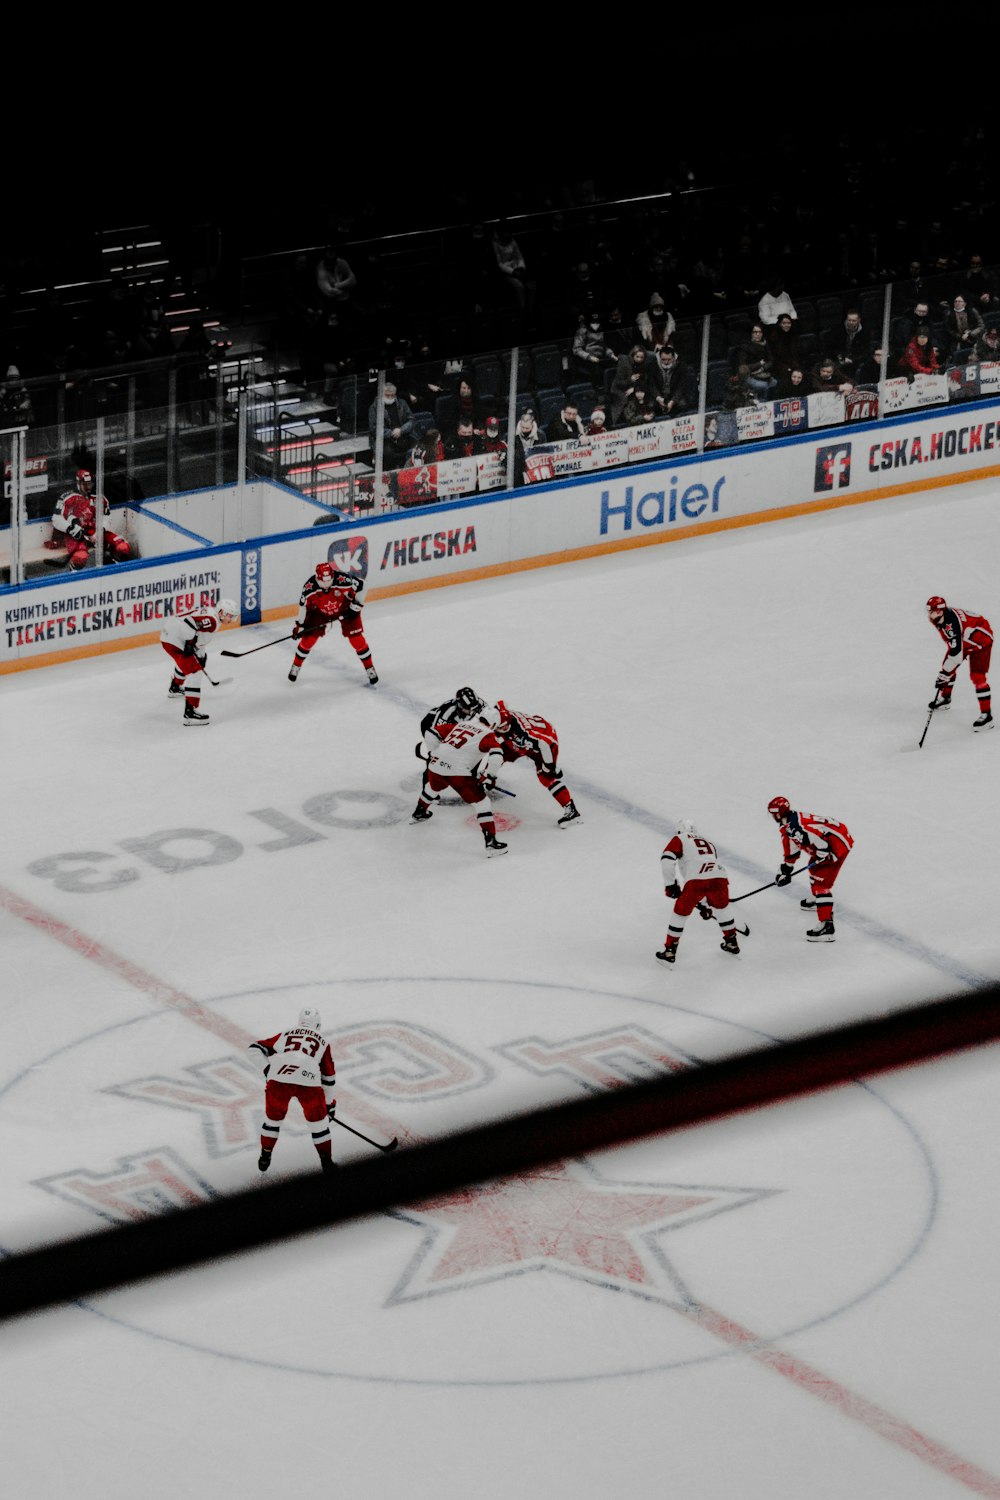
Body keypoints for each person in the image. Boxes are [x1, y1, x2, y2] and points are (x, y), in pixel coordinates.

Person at [247, 1006, 338, 1175]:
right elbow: (329, 1077)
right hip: (309, 1082)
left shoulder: (286, 1034)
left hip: (279, 1080)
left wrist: (267, 1069)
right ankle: (326, 1162)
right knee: (319, 1125)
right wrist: (328, 1105)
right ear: (317, 1025)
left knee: (272, 1122)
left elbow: (253, 1048)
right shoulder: (323, 1042)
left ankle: (265, 1154)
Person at [410, 703, 509, 857]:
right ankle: (491, 843)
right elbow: (496, 757)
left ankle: (419, 812)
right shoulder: (488, 734)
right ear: (494, 723)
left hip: (436, 765)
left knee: (432, 787)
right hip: (458, 772)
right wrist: (490, 776)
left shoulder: (463, 724)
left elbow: (431, 731)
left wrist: (434, 751)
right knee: (483, 803)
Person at [656, 818, 744, 965]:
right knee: (722, 909)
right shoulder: (709, 843)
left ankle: (670, 951)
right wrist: (705, 905)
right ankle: (732, 942)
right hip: (720, 876)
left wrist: (670, 885)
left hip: (696, 879)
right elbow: (707, 874)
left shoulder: (680, 838)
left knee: (680, 912)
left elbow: (667, 859)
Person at [768, 796, 853, 942]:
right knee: (814, 871)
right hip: (832, 839)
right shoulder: (788, 824)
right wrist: (785, 870)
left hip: (837, 845)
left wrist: (825, 853)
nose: (771, 816)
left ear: (779, 813)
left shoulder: (796, 827)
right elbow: (792, 849)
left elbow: (816, 836)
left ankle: (827, 927)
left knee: (821, 884)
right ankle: (818, 901)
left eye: (773, 813)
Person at [495, 699, 581, 827]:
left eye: (505, 726)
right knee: (497, 752)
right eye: (501, 727)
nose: (503, 728)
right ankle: (483, 776)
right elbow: (500, 704)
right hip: (528, 740)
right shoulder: (498, 716)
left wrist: (550, 767)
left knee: (546, 777)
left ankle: (571, 810)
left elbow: (545, 745)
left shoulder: (523, 734)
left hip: (546, 741)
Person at [289, 562, 377, 685]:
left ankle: (370, 668)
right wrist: (300, 625)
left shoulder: (343, 579)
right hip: (319, 612)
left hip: (346, 609)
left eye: (329, 580)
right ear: (317, 578)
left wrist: (357, 604)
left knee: (357, 640)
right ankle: (296, 666)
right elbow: (303, 607)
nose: (326, 584)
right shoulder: (309, 588)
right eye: (323, 582)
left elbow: (363, 585)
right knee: (308, 641)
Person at [160, 599, 239, 726]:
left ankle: (175, 688)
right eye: (230, 616)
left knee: (191, 662)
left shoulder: (211, 614)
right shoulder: (213, 621)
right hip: (174, 641)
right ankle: (190, 714)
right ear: (221, 612)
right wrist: (189, 643)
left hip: (171, 636)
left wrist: (200, 655)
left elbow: (198, 632)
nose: (231, 619)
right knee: (195, 673)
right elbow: (190, 622)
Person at [925, 595, 993, 730]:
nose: (929, 614)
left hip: (981, 641)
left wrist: (944, 674)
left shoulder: (951, 624)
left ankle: (987, 716)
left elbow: (956, 655)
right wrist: (945, 672)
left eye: (931, 611)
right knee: (948, 666)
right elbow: (955, 648)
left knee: (977, 677)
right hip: (965, 638)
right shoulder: (939, 617)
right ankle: (946, 698)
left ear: (939, 611)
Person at [415, 685, 487, 798]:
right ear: (459, 705)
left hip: (459, 728)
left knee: (474, 752)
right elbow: (436, 734)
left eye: (474, 708)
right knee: (434, 760)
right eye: (469, 709)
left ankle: (471, 782)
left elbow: (489, 722)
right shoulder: (446, 713)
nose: (472, 712)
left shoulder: (479, 705)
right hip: (432, 728)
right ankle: (428, 789)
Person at [51, 469, 131, 570]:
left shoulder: (99, 498)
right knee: (81, 557)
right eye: (85, 484)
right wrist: (70, 528)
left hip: (95, 532)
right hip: (76, 535)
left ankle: (114, 570)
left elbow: (106, 516)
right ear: (78, 483)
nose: (88, 487)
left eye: (90, 484)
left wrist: (100, 530)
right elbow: (56, 518)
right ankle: (75, 577)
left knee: (123, 548)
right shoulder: (67, 498)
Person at [367, 382, 415, 469]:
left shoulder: (402, 403)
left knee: (417, 447)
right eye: (387, 395)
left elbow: (411, 420)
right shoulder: (374, 408)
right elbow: (374, 429)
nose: (390, 397)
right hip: (385, 440)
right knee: (388, 453)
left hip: (403, 435)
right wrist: (392, 433)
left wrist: (401, 430)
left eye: (392, 395)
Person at [650, 346, 698, 415]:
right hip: (659, 395)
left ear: (673, 358)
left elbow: (681, 387)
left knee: (683, 404)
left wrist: (673, 401)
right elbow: (652, 385)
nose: (666, 362)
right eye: (663, 359)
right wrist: (658, 398)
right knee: (651, 405)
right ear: (659, 358)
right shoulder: (653, 366)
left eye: (669, 359)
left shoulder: (681, 367)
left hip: (673, 395)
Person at [571, 309, 616, 383]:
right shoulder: (582, 331)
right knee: (596, 370)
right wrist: (589, 357)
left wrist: (610, 354)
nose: (595, 324)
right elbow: (577, 349)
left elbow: (604, 346)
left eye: (597, 322)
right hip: (587, 360)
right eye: (593, 322)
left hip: (600, 358)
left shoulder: (601, 330)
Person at [943, 294, 985, 360]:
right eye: (955, 301)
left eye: (959, 301)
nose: (957, 303)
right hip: (958, 340)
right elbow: (948, 329)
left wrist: (970, 334)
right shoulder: (949, 314)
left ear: (964, 303)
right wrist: (960, 337)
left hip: (974, 337)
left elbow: (981, 326)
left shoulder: (972, 311)